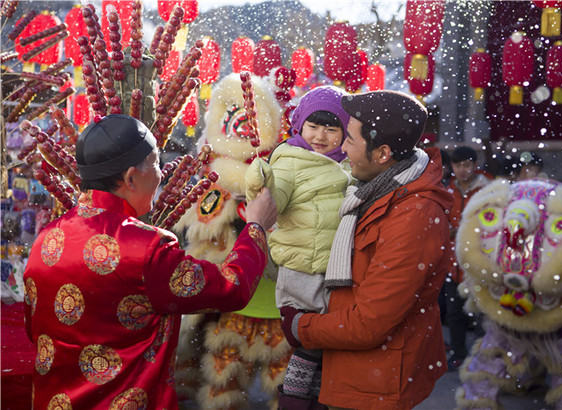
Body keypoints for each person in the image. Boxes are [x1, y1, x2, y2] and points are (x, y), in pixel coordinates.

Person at [22, 114, 277, 409]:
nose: (160, 174)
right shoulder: (147, 249)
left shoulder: (47, 238)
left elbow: (35, 330)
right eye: (156, 163)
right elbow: (232, 288)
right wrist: (255, 226)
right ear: (131, 178)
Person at [277, 90, 454, 409]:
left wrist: (299, 326)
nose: (341, 147)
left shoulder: (413, 216)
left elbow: (370, 323)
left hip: (374, 383)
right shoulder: (371, 190)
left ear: (383, 153)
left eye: (350, 141)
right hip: (351, 369)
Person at [245, 85, 352, 408]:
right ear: (299, 125)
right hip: (301, 270)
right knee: (310, 345)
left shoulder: (349, 164)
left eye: (332, 129)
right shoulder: (291, 160)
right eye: (313, 126)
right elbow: (272, 202)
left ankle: (317, 401)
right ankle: (294, 403)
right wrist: (259, 183)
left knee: (328, 351)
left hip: (337, 270)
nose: (320, 136)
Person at [446, 146, 493, 370]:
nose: (462, 170)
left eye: (467, 165)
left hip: (479, 264)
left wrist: (467, 230)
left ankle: (483, 357)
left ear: (475, 165)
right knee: (455, 313)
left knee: (482, 315)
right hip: (452, 265)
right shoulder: (448, 190)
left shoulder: (488, 191)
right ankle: (458, 353)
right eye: (458, 166)